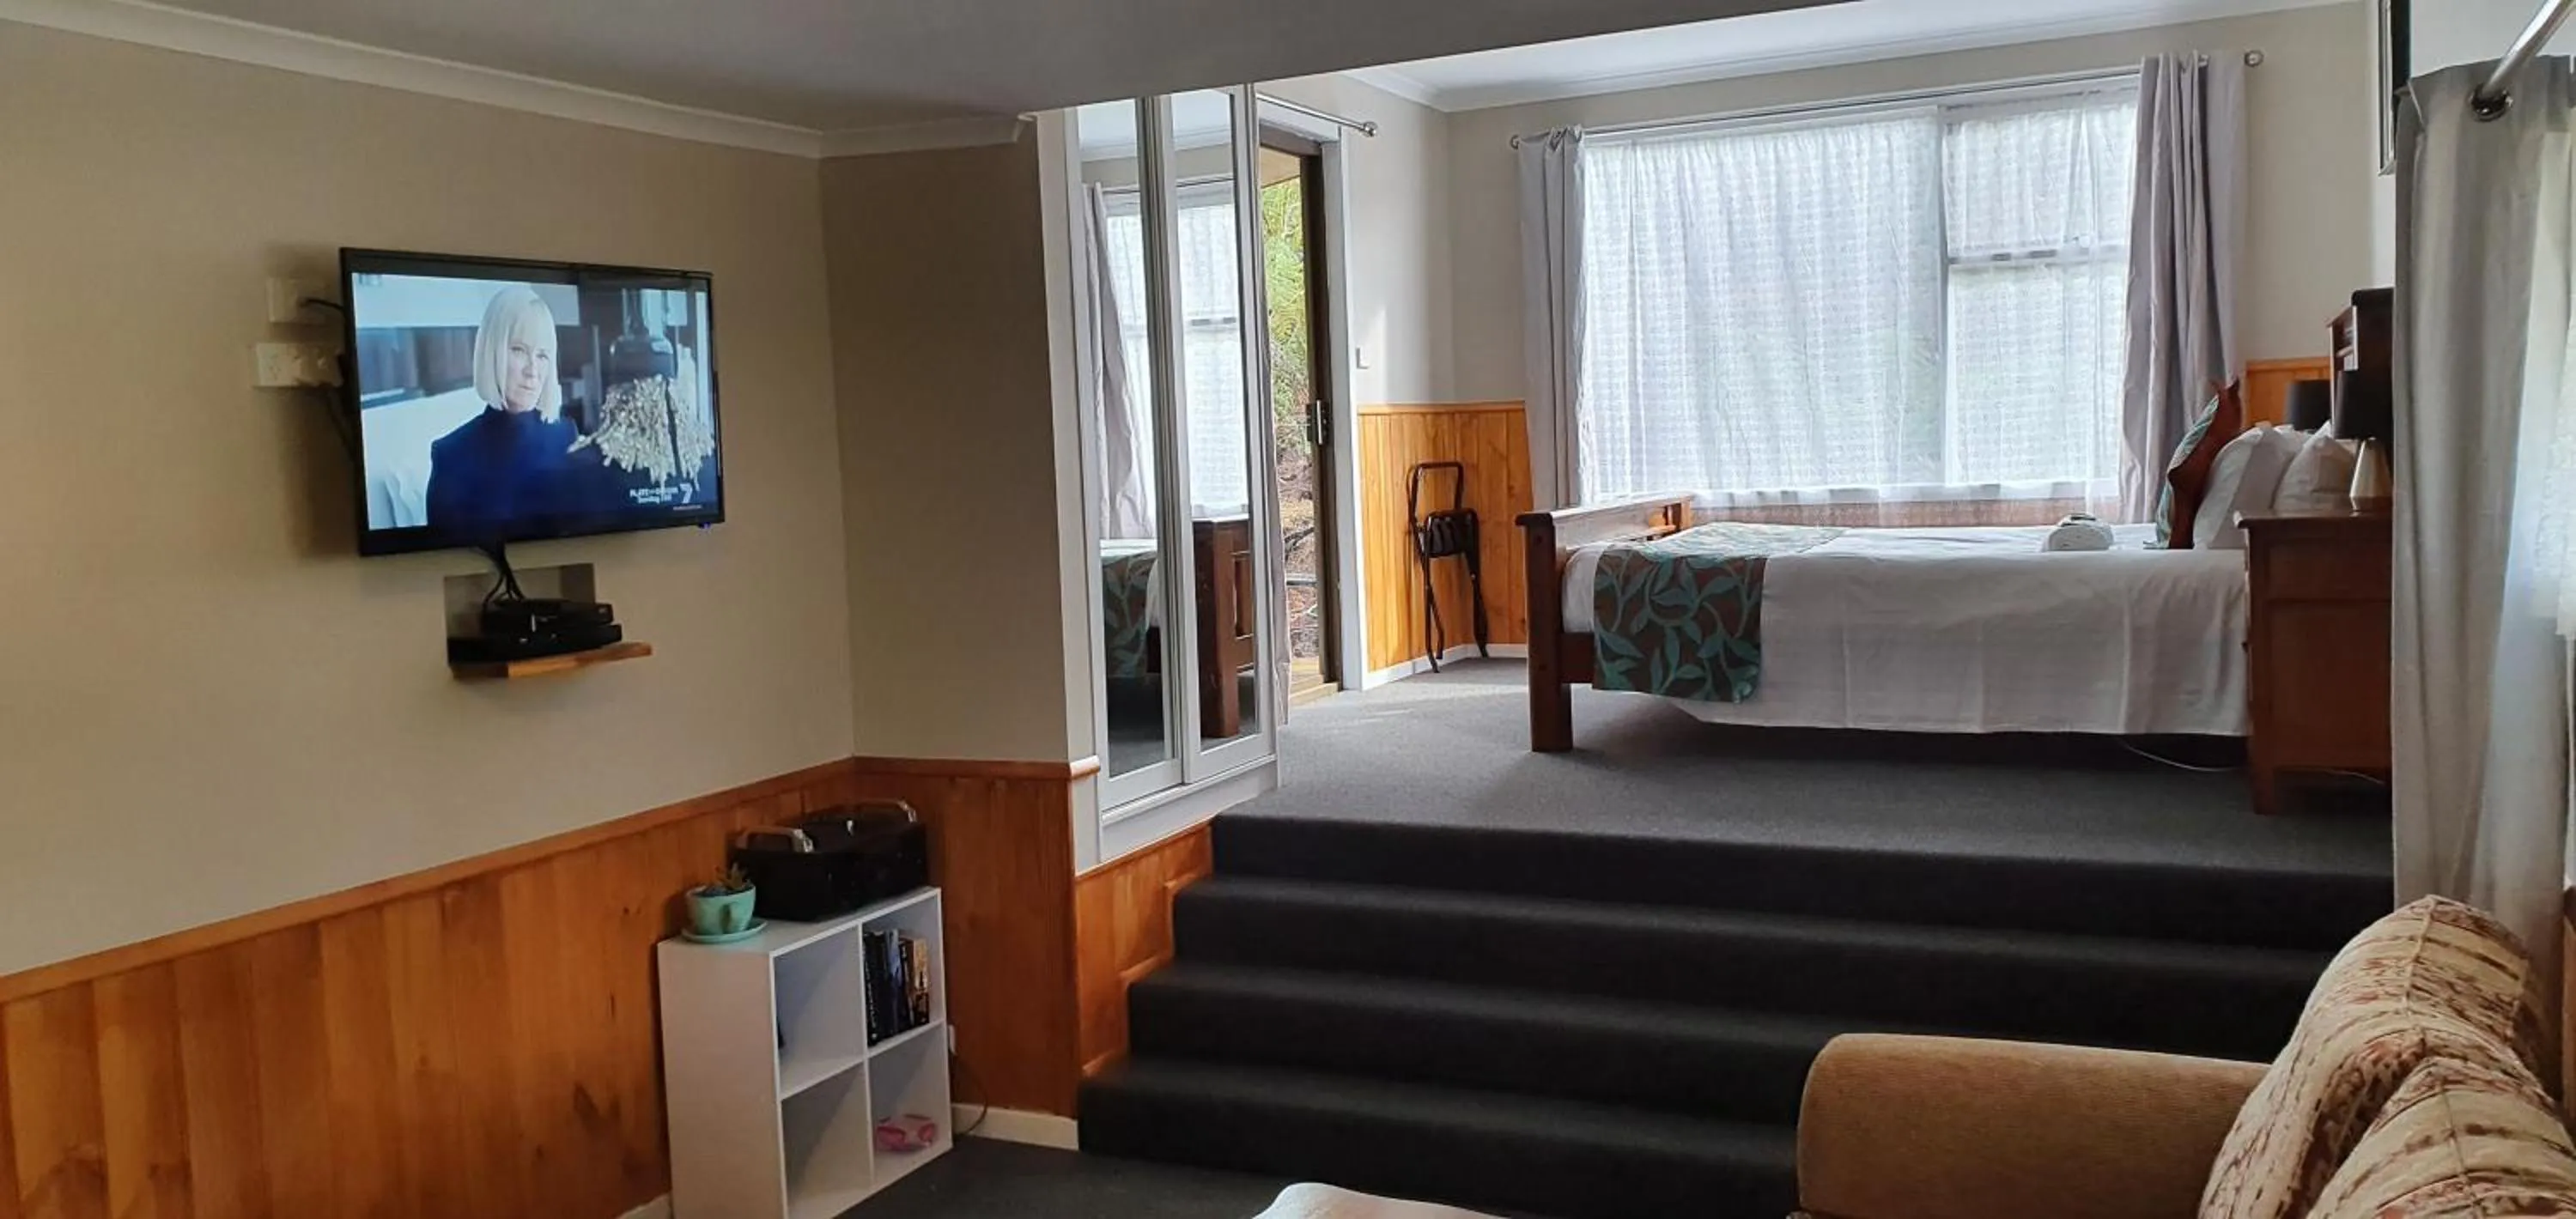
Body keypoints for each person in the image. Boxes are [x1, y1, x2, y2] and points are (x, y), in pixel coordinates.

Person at [423, 285, 605, 532]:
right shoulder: (450, 455)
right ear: (491, 352)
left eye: (542, 356)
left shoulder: (566, 435)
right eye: (519, 350)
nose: (532, 371)